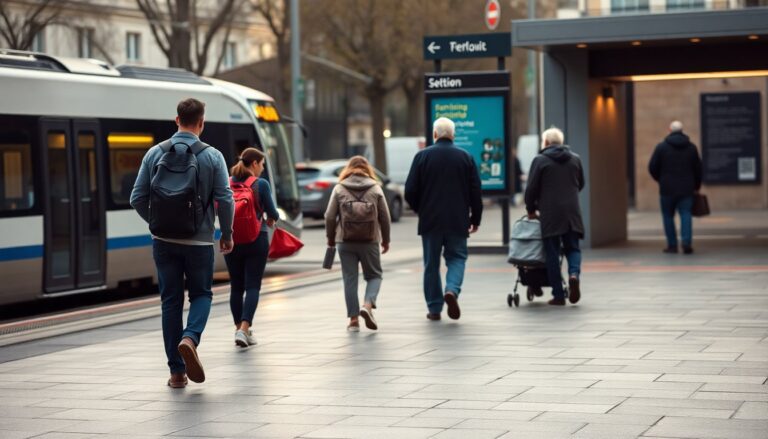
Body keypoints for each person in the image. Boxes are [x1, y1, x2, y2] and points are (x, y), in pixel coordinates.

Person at [130, 98, 234, 388]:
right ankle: (190, 338)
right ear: (201, 123)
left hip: (163, 241)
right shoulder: (213, 156)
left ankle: (177, 374)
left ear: (177, 120)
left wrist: (156, 223)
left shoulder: (154, 153)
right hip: (199, 242)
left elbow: (136, 198)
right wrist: (226, 233)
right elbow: (225, 199)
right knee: (201, 295)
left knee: (170, 302)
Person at [405, 117, 482, 321]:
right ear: (453, 135)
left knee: (431, 264)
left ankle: (434, 308)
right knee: (457, 258)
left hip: (430, 221)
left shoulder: (422, 157)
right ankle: (452, 289)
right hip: (458, 220)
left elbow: (410, 190)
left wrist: (420, 209)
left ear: (435, 134)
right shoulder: (466, 157)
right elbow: (476, 191)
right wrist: (476, 217)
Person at [325, 156, 391, 332]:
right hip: (370, 240)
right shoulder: (375, 187)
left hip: (344, 240)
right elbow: (385, 217)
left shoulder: (339, 187)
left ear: (348, 168)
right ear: (367, 169)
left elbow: (329, 216)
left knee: (350, 279)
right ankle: (367, 306)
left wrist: (331, 238)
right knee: (375, 275)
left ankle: (353, 320)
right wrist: (386, 239)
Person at [525, 127, 585, 306]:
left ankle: (558, 295)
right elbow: (580, 183)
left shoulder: (540, 160)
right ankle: (574, 274)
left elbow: (531, 189)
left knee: (551, 253)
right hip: (572, 212)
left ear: (545, 143)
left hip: (550, 213)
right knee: (573, 248)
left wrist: (531, 208)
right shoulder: (575, 159)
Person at [225, 147, 279, 347]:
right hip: (256, 239)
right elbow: (273, 212)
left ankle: (239, 329)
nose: (263, 169)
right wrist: (272, 218)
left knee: (236, 287)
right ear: (254, 163)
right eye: (262, 164)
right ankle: (245, 329)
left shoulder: (227, 183)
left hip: (231, 240)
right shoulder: (260, 184)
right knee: (252, 285)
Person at [648, 120, 702, 254]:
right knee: (686, 214)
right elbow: (698, 169)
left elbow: (652, 167)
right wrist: (696, 185)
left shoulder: (661, 147)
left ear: (669, 130)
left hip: (667, 189)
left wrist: (660, 180)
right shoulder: (691, 147)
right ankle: (686, 242)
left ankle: (672, 245)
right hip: (687, 188)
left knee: (667, 216)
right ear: (682, 131)